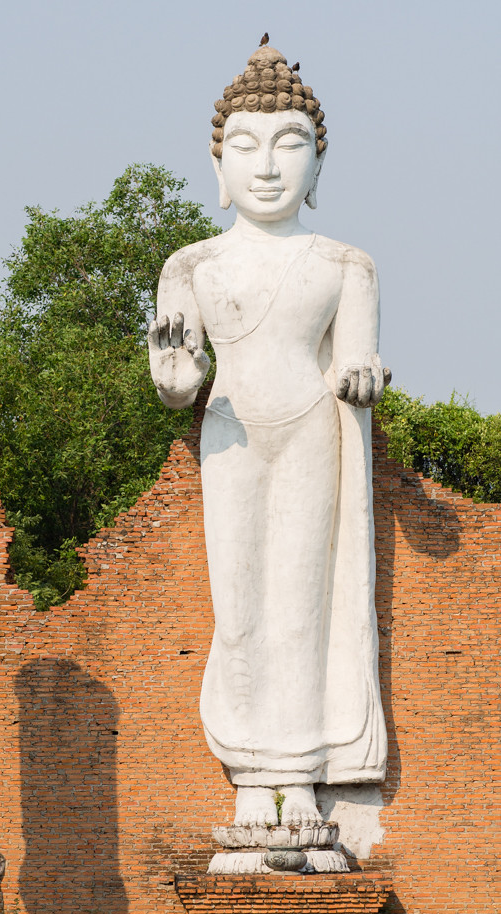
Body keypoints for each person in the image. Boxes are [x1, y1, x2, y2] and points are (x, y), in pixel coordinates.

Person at [148, 39, 389, 828]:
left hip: (311, 429)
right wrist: (173, 367)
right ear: (218, 164)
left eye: (290, 144)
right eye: (246, 146)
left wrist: (362, 375)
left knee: (301, 602)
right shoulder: (191, 266)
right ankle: (253, 772)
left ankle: (301, 775)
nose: (268, 166)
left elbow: (353, 361)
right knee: (241, 601)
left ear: (319, 162)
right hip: (232, 433)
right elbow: (179, 386)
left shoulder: (346, 265)